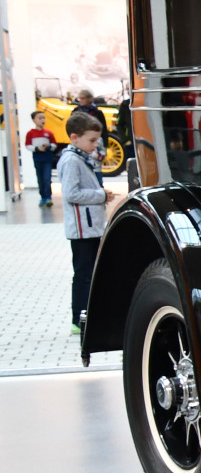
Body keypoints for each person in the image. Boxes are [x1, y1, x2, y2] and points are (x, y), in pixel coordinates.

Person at [59, 111, 111, 334]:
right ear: (75, 137)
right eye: (91, 140)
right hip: (82, 230)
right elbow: (71, 194)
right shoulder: (71, 160)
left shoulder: (81, 157)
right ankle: (79, 318)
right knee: (83, 275)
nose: (95, 144)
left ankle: (90, 315)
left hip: (91, 227)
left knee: (91, 273)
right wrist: (100, 195)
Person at [24, 109, 58, 207]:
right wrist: (37, 148)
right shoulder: (30, 133)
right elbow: (27, 145)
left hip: (47, 158)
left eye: (43, 118)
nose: (42, 120)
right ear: (34, 120)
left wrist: (49, 146)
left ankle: (48, 197)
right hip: (37, 158)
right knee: (40, 179)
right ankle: (42, 197)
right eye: (39, 118)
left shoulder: (49, 133)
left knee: (47, 178)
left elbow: (54, 145)